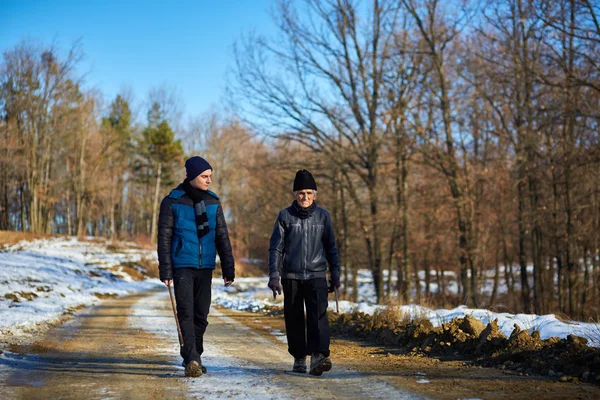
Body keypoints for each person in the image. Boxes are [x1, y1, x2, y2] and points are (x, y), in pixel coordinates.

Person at [157, 156, 235, 378]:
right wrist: (166, 269)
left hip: (206, 266)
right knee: (186, 312)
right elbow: (164, 237)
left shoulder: (213, 202)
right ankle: (191, 358)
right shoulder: (172, 201)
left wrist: (228, 268)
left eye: (210, 176)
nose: (209, 180)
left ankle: (195, 355)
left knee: (201, 314)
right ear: (192, 176)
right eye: (204, 176)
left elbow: (222, 236)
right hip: (182, 264)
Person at [268, 169, 340, 376]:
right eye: (301, 192)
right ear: (294, 194)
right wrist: (274, 274)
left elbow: (331, 247)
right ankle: (299, 357)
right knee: (294, 318)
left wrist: (335, 273)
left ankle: (319, 356)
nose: (305, 197)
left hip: (317, 274)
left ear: (315, 194)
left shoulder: (323, 216)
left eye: (309, 192)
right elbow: (276, 248)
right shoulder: (285, 216)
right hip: (291, 276)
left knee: (319, 317)